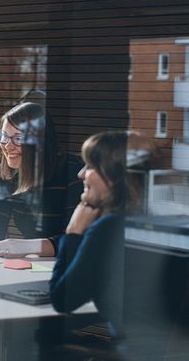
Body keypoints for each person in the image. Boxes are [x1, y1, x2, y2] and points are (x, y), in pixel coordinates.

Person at [0, 102, 82, 257]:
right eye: (4, 136)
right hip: (33, 264)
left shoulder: (72, 171)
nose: (7, 146)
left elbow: (75, 240)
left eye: (18, 138)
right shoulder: (6, 174)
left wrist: (27, 247)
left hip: (67, 266)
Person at [49, 130, 129, 339]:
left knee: (44, 338)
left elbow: (63, 299)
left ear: (113, 175)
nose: (81, 174)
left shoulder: (108, 228)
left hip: (129, 351)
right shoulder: (134, 222)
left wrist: (73, 232)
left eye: (90, 166)